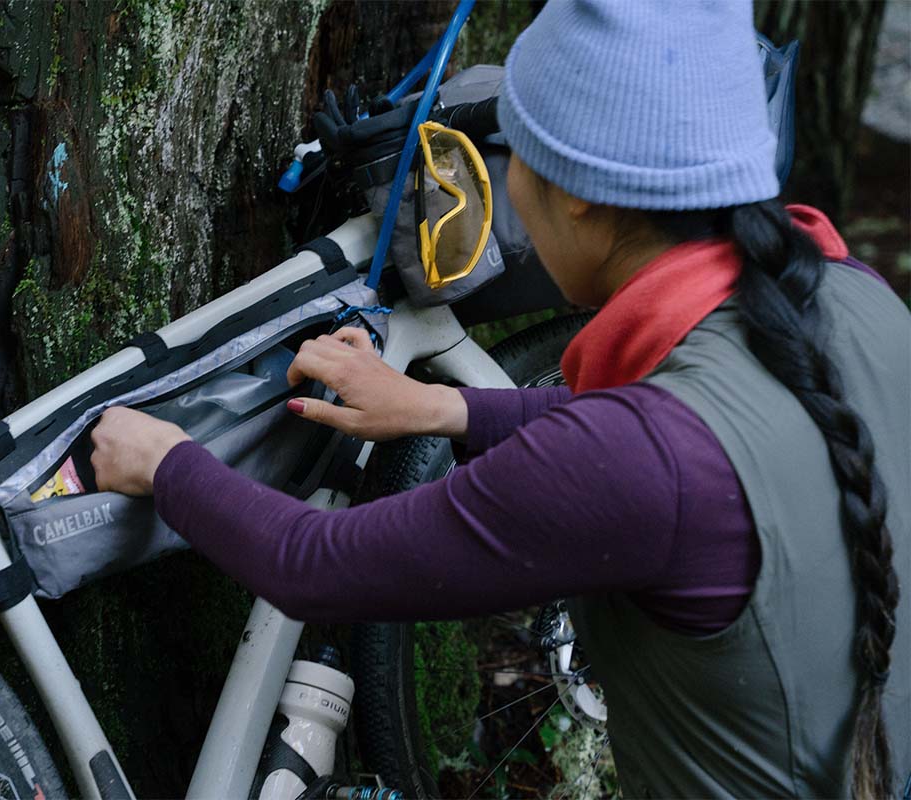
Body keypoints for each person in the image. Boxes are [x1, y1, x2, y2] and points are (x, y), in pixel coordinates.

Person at [90, 1, 910, 796]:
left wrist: (168, 463)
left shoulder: (644, 462)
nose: (504, 190)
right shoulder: (858, 299)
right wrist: (448, 412)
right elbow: (686, 460)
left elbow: (319, 565)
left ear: (581, 189)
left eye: (511, 153)